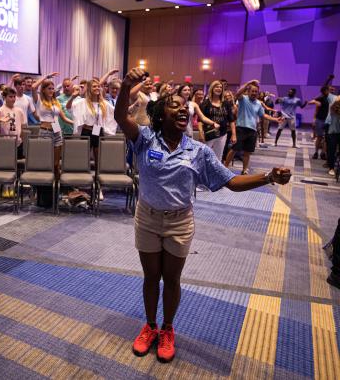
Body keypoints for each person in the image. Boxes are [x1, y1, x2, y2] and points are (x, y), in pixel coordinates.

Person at [114, 67, 292, 363]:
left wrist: (269, 176)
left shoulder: (199, 152)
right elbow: (122, 116)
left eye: (185, 107)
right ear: (160, 115)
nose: (183, 109)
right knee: (150, 277)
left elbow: (232, 182)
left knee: (171, 279)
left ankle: (168, 329)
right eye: (175, 106)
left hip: (179, 221)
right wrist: (125, 86)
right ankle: (150, 326)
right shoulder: (145, 139)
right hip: (147, 217)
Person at [224, 80, 283, 174]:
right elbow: (238, 93)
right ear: (249, 91)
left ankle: (244, 170)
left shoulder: (259, 103)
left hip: (252, 131)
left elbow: (263, 115)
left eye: (256, 91)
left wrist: (275, 120)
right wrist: (249, 83)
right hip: (241, 128)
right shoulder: (243, 99)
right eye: (253, 91)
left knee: (247, 152)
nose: (254, 93)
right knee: (234, 149)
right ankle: (225, 167)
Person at [32, 77, 73, 177]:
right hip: (45, 130)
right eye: (49, 88)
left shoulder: (56, 102)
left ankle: (57, 184)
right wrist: (46, 77)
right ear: (43, 90)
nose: (51, 90)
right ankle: (45, 185)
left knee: (56, 163)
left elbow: (64, 118)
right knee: (45, 160)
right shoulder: (40, 100)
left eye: (52, 88)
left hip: (57, 129)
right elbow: (33, 87)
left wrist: (76, 122)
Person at [70, 79, 117, 165]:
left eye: (98, 86)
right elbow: (69, 107)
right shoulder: (83, 102)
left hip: (98, 131)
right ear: (89, 89)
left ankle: (97, 177)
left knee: (98, 159)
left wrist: (132, 107)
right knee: (84, 158)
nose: (97, 88)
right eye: (94, 86)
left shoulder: (104, 103)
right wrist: (73, 96)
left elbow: (116, 111)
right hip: (87, 131)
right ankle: (84, 176)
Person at [0, 87, 24, 198]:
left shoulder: (19, 110)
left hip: (17, 142)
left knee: (15, 166)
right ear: (5, 97)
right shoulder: (0, 110)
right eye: (10, 97)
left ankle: (12, 186)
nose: (12, 99)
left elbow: (21, 126)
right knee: (6, 166)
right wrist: (0, 140)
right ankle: (5, 186)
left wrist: (20, 138)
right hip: (5, 142)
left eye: (14, 97)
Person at [325, 96, 340, 176]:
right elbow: (334, 103)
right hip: (333, 132)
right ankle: (331, 168)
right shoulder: (333, 108)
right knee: (331, 150)